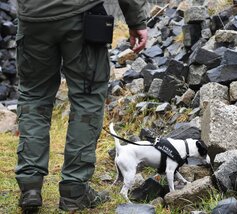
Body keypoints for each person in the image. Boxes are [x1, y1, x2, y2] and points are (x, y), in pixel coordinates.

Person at [15, 0, 148, 212]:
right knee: (87, 98)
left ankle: (30, 186)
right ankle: (74, 190)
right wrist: (136, 21)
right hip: (81, 14)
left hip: (34, 17)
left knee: (34, 96)